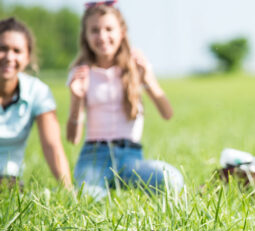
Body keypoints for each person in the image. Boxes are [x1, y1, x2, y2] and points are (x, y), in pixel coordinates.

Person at [67, 1, 183, 199]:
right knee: (90, 198)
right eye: (95, 30)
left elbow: (167, 113)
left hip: (131, 158)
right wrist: (77, 100)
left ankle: (120, 183)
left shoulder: (135, 68)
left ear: (122, 32)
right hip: (93, 157)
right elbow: (73, 137)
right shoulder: (81, 73)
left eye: (109, 29)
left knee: (172, 179)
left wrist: (148, 80)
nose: (102, 36)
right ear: (85, 36)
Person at [0, 17, 72, 189]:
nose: (9, 57)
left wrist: (68, 190)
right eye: (2, 49)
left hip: (8, 181)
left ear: (27, 57)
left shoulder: (38, 91)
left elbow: (52, 145)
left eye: (17, 51)